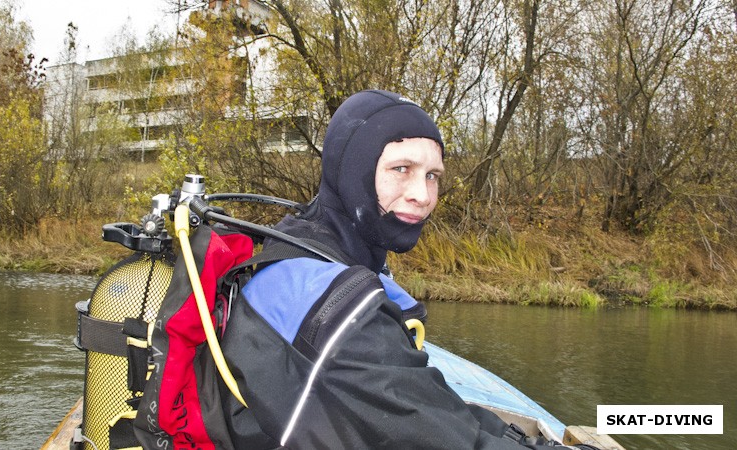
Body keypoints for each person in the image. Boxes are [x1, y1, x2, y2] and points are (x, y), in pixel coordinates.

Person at [217, 90, 594, 449]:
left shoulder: (294, 247)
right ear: (352, 172)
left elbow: (435, 415)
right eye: (402, 168)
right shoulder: (334, 306)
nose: (424, 195)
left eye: (432, 175)